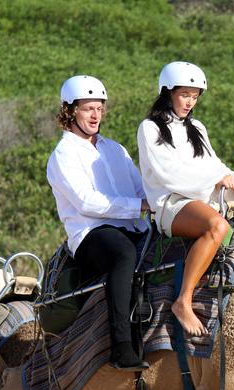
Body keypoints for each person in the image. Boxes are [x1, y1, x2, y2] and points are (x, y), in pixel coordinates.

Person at [137, 61, 234, 337]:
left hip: (211, 199)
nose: (190, 102)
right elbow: (168, 175)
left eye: (195, 96)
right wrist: (216, 181)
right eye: (185, 94)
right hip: (172, 204)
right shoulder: (150, 128)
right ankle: (183, 301)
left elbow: (216, 167)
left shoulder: (196, 127)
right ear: (167, 92)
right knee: (217, 227)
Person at [46, 75, 150, 371]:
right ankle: (121, 348)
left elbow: (140, 188)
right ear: (70, 111)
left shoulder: (116, 149)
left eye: (100, 109)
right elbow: (86, 202)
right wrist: (139, 206)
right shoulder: (63, 155)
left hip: (131, 227)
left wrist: (159, 202)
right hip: (91, 234)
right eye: (88, 108)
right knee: (123, 253)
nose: (95, 115)